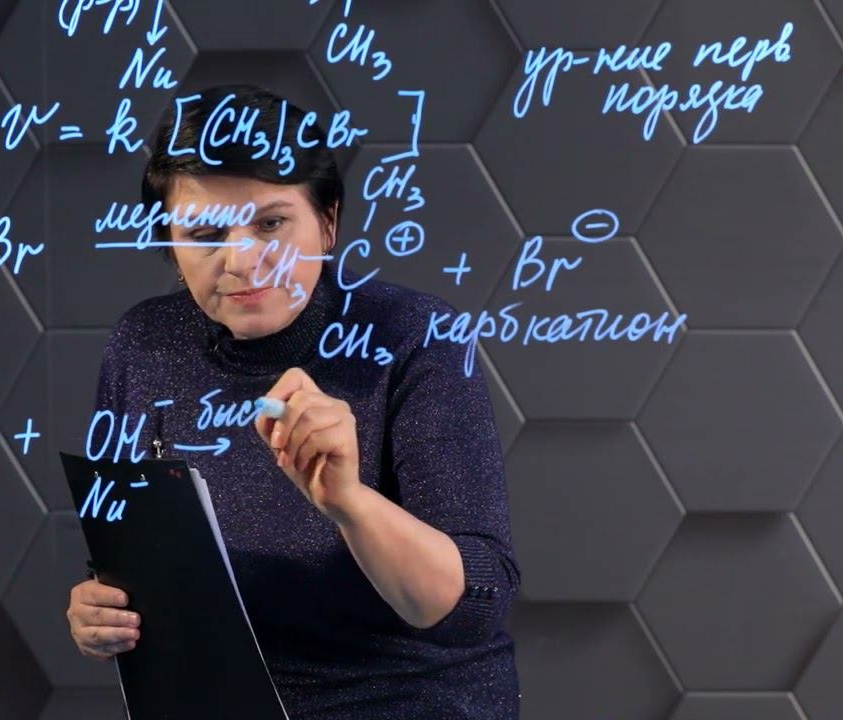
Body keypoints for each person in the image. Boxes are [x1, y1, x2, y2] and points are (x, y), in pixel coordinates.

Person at [65, 83, 521, 719]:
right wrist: (100, 611)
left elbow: (475, 605)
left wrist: (350, 503)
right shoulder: (144, 345)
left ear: (327, 223)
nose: (242, 260)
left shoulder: (414, 337)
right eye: (204, 233)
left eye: (271, 224)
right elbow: (129, 558)